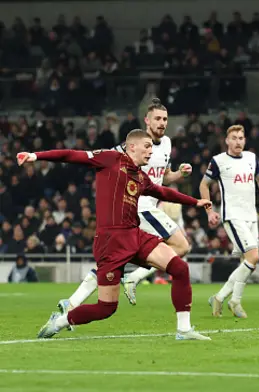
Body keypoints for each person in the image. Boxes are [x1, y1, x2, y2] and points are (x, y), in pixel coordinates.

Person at [18, 129, 211, 340]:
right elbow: (72, 155)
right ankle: (60, 321)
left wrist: (195, 202)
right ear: (132, 147)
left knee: (179, 267)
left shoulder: (139, 176)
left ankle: (183, 330)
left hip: (134, 235)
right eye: (147, 147)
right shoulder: (110, 158)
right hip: (110, 242)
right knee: (106, 308)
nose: (150, 152)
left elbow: (163, 192)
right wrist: (35, 156)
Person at [57, 98, 193, 316]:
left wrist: (180, 174)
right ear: (147, 121)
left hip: (151, 206)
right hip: (139, 207)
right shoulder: (133, 146)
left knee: (117, 261)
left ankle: (72, 303)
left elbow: (163, 179)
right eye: (157, 118)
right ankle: (135, 277)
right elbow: (108, 165)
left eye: (165, 119)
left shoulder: (167, 143)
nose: (162, 123)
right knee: (182, 246)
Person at [200, 125, 259, 318]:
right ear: (227, 141)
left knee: (248, 261)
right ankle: (227, 298)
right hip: (232, 216)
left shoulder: (251, 158)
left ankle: (230, 300)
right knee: (254, 257)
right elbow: (204, 184)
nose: (238, 141)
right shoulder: (218, 161)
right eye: (234, 138)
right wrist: (209, 211)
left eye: (241, 138)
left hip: (251, 215)